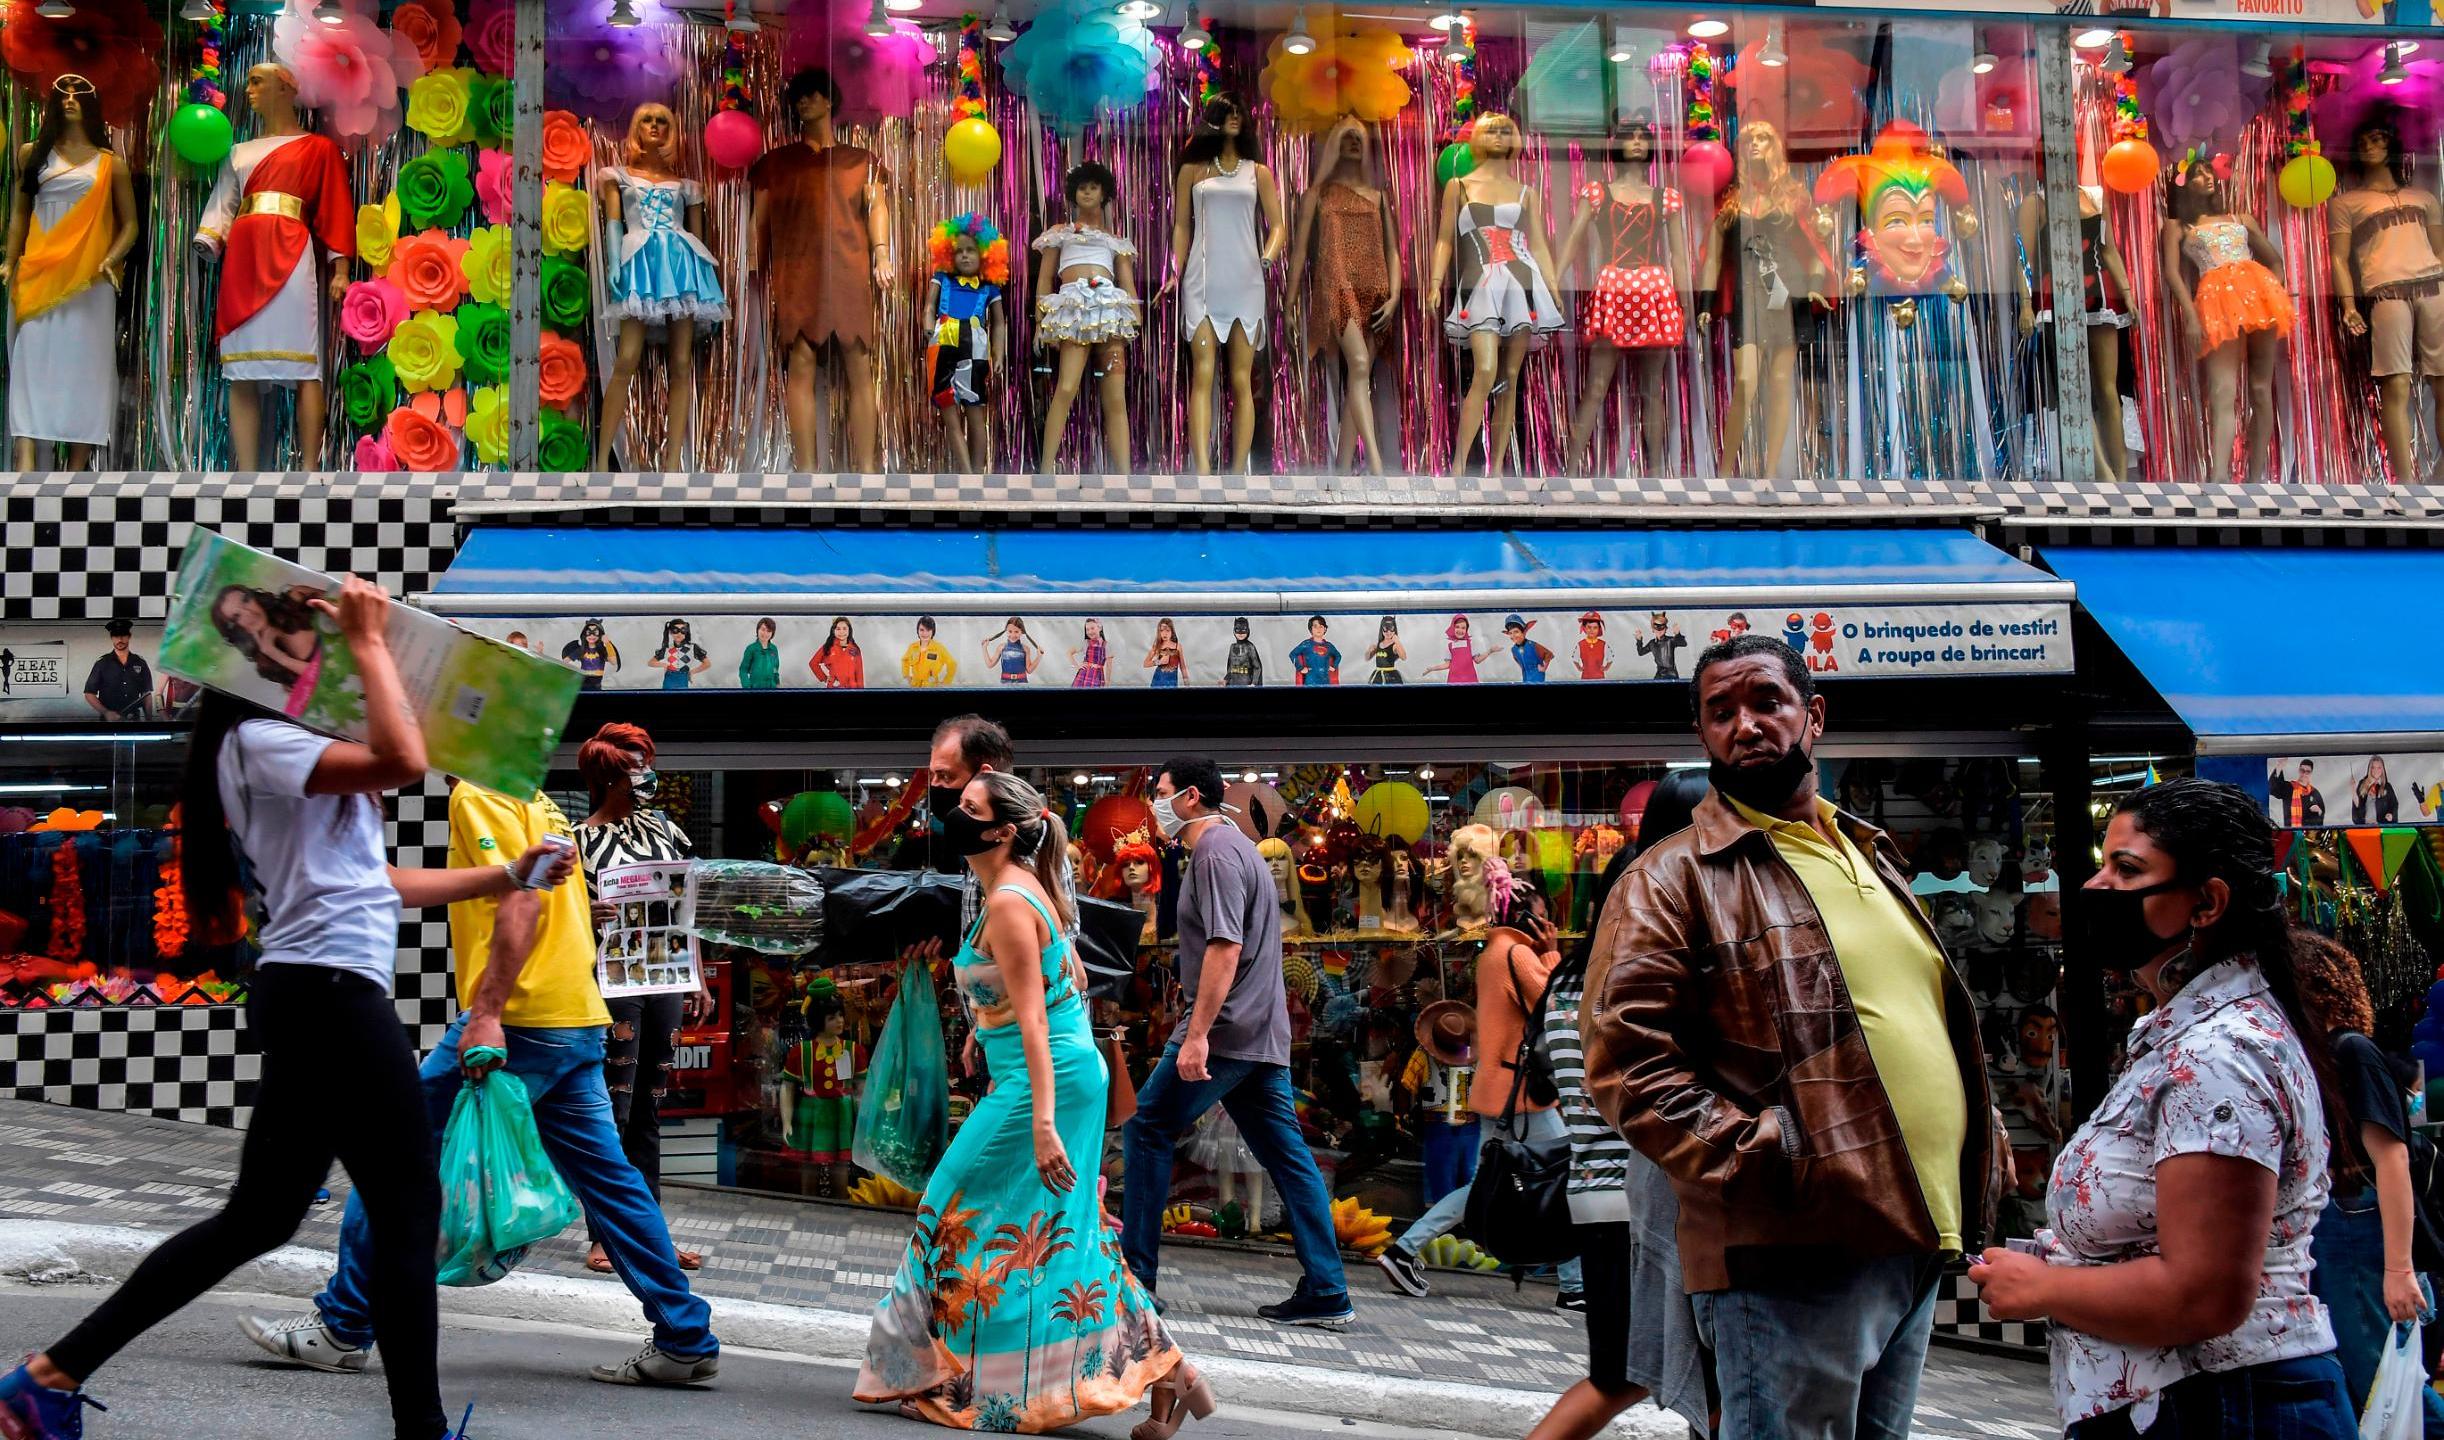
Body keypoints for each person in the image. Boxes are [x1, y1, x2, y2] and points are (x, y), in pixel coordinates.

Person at [0, 579, 538, 1440]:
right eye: (284, 643)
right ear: (246, 665)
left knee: (262, 1216)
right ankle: (421, 1431)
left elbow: (373, 884)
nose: (305, 655)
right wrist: (369, 637)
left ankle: (45, 1379)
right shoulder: (261, 740)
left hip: (319, 994)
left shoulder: (292, 747)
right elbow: (403, 760)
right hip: (327, 995)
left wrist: (507, 876)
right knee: (405, 1208)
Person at [1583, 633, 1999, 1440]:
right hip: (1790, 1248)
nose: (1745, 724)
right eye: (1721, 712)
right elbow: (1626, 1064)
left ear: (1813, 716)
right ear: (1702, 737)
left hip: (1911, 1234)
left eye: (1766, 701)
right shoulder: (1671, 878)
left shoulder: (1871, 854)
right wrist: (1755, 1149)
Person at [243, 769, 720, 1388]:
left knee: (387, 1154)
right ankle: (685, 1337)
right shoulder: (541, 800)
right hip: (575, 1015)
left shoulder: (483, 795)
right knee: (611, 1182)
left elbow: (520, 896)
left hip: (521, 1018)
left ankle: (341, 1326)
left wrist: (488, 1012)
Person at [1969, 778, 2354, 1438]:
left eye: (2127, 869)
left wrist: (2043, 1288)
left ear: (2206, 902)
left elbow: (2204, 1293)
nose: (2096, 886)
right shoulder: (2187, 1036)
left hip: (2222, 1407)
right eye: (2103, 862)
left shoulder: (2220, 1056)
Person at [855, 771, 1206, 1433]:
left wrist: (1043, 1123)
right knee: (1059, 1231)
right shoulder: (1014, 889)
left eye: (968, 807)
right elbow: (1035, 997)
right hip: (1044, 1075)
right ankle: (1170, 1372)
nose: (952, 814)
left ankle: (952, 1376)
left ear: (1002, 831)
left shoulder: (1013, 902)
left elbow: (1039, 1023)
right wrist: (983, 1040)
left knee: (949, 1208)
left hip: (1043, 1088)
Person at [1122, 757, 1353, 1328]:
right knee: (1287, 1155)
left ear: (1191, 797)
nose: (1156, 802)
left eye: (1161, 792)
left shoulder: (1215, 853)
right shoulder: (1241, 848)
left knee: (1147, 1126)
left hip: (1226, 1029)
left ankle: (1136, 1281)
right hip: (1258, 1030)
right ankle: (1327, 1288)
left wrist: (1197, 1034)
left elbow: (1225, 947)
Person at [1529, 768, 1714, 1440]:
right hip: (1659, 1197)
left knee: (1626, 1373)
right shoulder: (1670, 950)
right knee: (1704, 1374)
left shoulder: (1568, 978)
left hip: (1596, 1193)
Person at [1375, 866, 1583, 1303]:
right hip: (1522, 1094)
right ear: (1526, 912)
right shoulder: (1518, 956)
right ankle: (1575, 1285)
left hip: (1498, 1088)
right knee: (1569, 1174)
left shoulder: (1493, 954)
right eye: (1544, 912)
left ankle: (1404, 1249)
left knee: (1485, 1184)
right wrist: (1552, 954)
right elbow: (1559, 1009)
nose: (1549, 920)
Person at [2292, 934, 2444, 1434]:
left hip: (2354, 1218)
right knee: (2367, 1378)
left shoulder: (2351, 1051)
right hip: (2336, 1219)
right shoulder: (2321, 1054)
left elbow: (2391, 1157)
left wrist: (2398, 1268)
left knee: (2381, 1376)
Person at [573, 722, 703, 1276]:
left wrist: (694, 974)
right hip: (612, 981)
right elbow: (555, 915)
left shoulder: (665, 832)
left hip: (664, 977)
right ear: (608, 777)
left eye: (645, 762)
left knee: (650, 1107)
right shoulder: (578, 840)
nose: (645, 775)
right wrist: (586, 911)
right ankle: (603, 1234)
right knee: (615, 1108)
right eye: (634, 767)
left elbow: (687, 905)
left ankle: (648, 1234)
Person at [81, 617, 151, 722]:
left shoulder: (140, 662)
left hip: (133, 721)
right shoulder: (102, 663)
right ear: (111, 638)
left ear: (129, 636)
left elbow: (146, 695)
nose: (120, 640)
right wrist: (106, 712)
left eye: (123, 635)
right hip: (108, 722)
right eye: (116, 636)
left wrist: (149, 721)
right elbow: (89, 694)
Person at [2272, 758, 2328, 829]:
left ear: (2311, 773)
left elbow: (2321, 813)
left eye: (2307, 771)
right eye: (2302, 770)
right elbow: (2274, 789)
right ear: (2299, 770)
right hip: (2291, 833)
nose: (2304, 773)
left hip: (2308, 834)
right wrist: (2279, 766)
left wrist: (2319, 811)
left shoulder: (2314, 792)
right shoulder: (2289, 787)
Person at [2354, 757, 2401, 826]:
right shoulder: (2363, 784)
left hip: (2382, 826)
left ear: (2382, 770)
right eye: (2373, 767)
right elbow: (2357, 805)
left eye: (2379, 767)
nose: (2376, 770)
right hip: (2365, 826)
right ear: (2370, 769)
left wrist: (2391, 815)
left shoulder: (2387, 787)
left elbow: (2394, 804)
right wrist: (2353, 790)